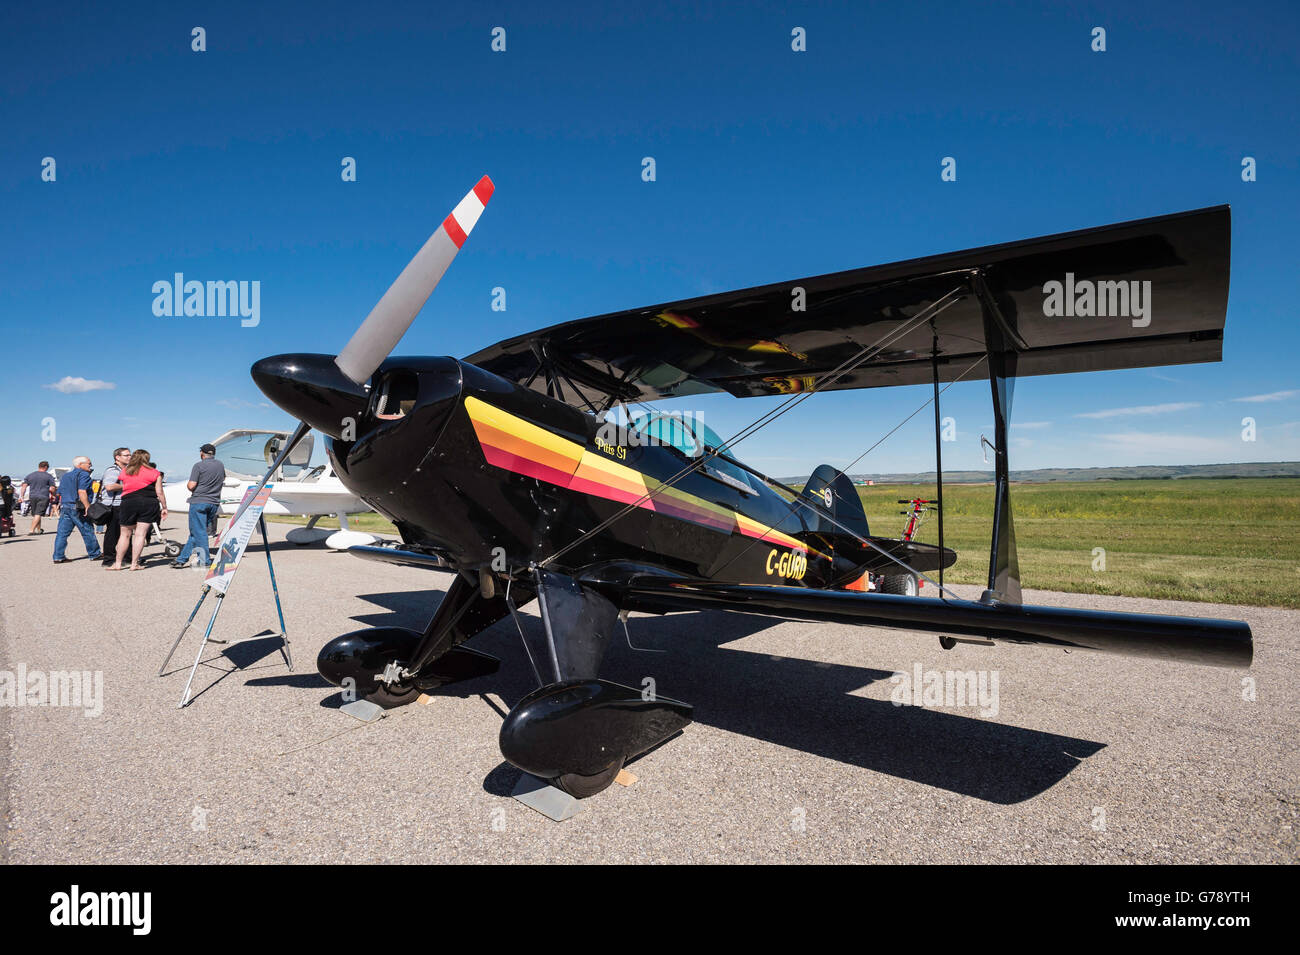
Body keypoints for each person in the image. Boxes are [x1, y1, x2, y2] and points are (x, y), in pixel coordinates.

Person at [108, 449, 167, 571]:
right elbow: (159, 492)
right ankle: (134, 564)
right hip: (149, 503)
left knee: (124, 534)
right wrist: (164, 507)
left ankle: (118, 563)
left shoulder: (126, 471)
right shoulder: (155, 473)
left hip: (129, 502)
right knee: (140, 534)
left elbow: (122, 483)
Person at [173, 442, 226, 569]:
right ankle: (181, 559)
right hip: (213, 502)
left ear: (202, 453)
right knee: (196, 532)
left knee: (199, 532)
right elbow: (223, 479)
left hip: (199, 502)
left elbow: (191, 485)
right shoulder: (220, 465)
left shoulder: (198, 466)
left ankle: (205, 560)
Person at [51, 456, 102, 563]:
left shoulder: (66, 476)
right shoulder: (84, 475)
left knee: (62, 533)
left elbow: (59, 492)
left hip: (65, 506)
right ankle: (95, 553)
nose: (91, 465)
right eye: (89, 463)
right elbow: (82, 491)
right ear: (80, 465)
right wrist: (88, 507)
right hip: (78, 507)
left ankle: (58, 556)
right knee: (87, 530)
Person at [96, 447, 132, 567]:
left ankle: (127, 557)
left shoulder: (125, 470)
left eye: (129, 455)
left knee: (125, 533)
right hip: (114, 505)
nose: (129, 457)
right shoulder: (113, 470)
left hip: (121, 504)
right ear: (117, 457)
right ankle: (109, 559)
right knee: (113, 533)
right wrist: (128, 485)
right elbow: (110, 486)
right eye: (126, 455)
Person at [20, 461, 56, 534]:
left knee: (36, 513)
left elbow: (24, 486)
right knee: (38, 514)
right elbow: (52, 488)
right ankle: (31, 530)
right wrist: (53, 495)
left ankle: (39, 530)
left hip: (32, 496)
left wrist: (22, 496)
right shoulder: (49, 476)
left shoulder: (30, 475)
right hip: (43, 496)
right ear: (46, 467)